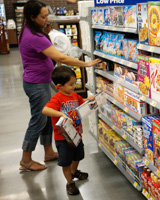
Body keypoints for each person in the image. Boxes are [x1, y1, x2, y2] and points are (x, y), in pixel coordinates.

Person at [18, 0, 100, 171]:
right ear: (32, 17)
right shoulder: (33, 36)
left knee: (46, 119)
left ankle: (48, 152)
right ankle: (26, 159)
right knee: (38, 120)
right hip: (36, 84)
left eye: (47, 15)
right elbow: (60, 58)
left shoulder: (29, 30)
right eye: (43, 16)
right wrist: (86, 64)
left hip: (42, 80)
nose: (47, 19)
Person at [42, 66, 92, 195]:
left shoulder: (74, 95)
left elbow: (81, 103)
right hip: (63, 138)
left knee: (78, 155)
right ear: (59, 86)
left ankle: (74, 172)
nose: (74, 86)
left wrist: (89, 100)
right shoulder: (57, 98)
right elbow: (45, 110)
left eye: (75, 83)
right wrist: (62, 115)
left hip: (76, 135)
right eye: (71, 84)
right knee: (66, 161)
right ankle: (70, 182)